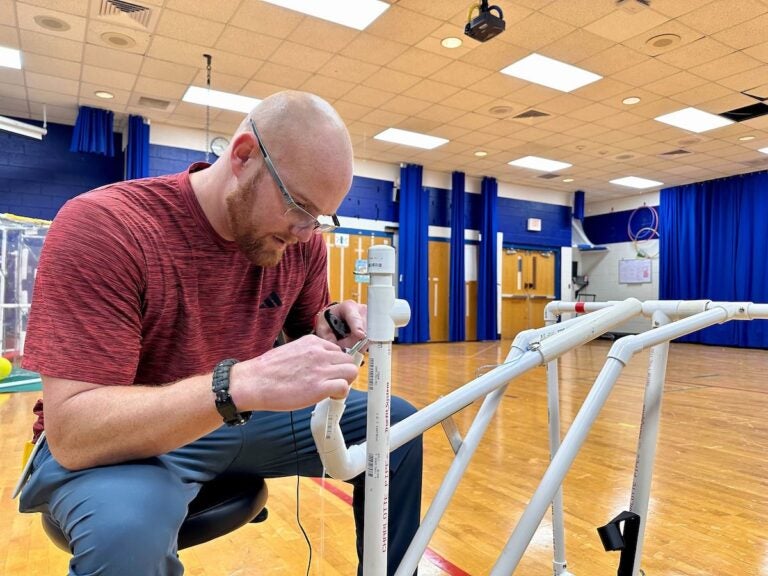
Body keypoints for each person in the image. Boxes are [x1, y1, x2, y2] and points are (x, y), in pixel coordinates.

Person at [18, 90, 423, 576]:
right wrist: (239, 384)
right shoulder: (108, 227)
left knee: (394, 423)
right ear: (244, 155)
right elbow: (75, 432)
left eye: (319, 219)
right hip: (129, 442)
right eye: (299, 207)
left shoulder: (299, 244)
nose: (303, 231)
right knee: (127, 533)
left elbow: (303, 338)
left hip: (237, 420)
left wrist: (330, 325)